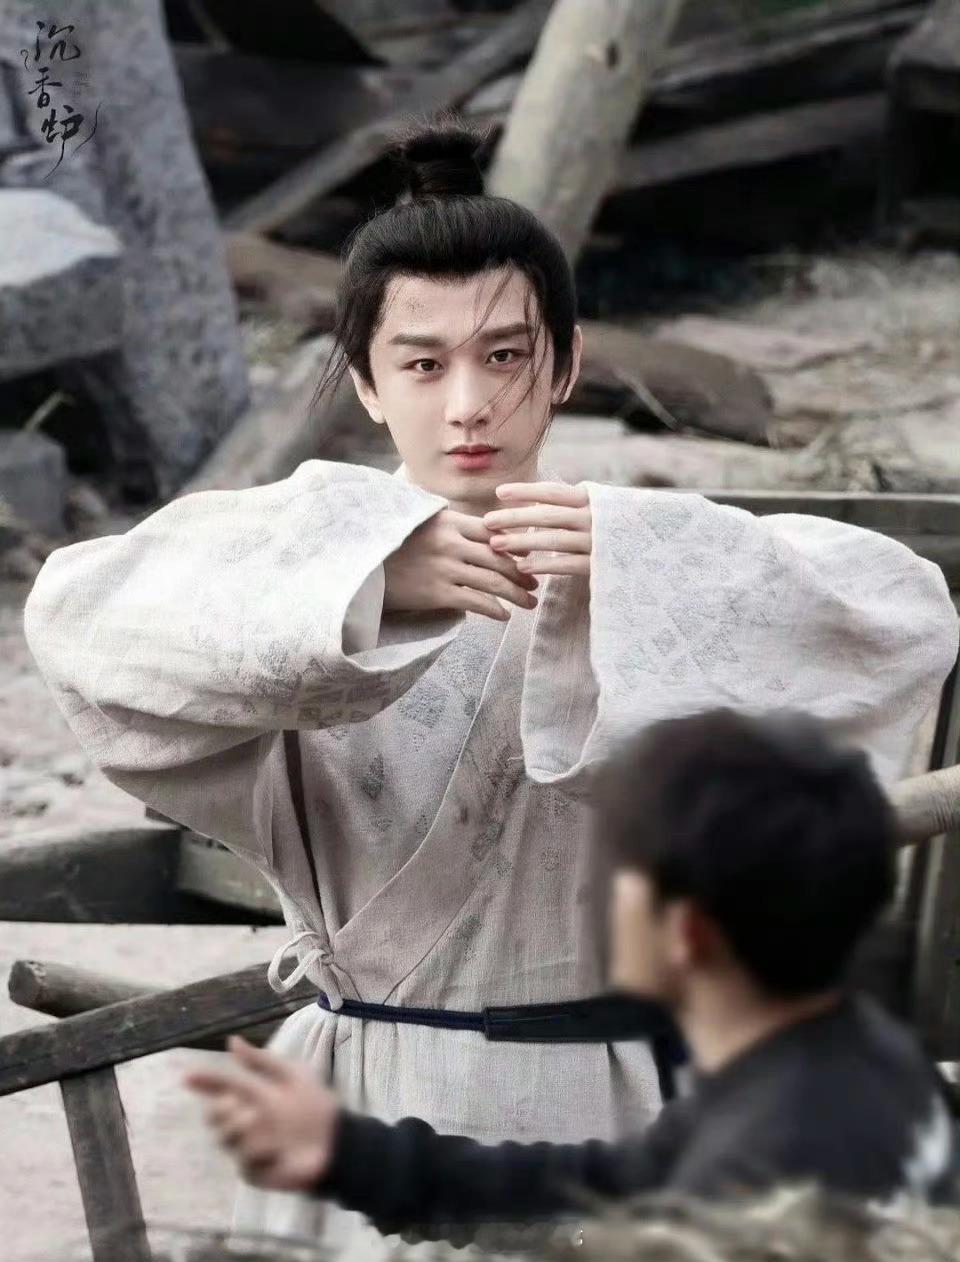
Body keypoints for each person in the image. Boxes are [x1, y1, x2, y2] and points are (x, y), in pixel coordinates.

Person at [24, 120, 957, 1250]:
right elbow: (76, 615)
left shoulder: (659, 558)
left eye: (505, 357)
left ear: (564, 365)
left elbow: (903, 612)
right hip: (372, 1094)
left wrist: (638, 567)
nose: (467, 404)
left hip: (618, 1097)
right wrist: (372, 586)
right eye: (423, 364)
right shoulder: (293, 555)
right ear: (368, 384)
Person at [187, 710, 957, 1238]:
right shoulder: (838, 1069)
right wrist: (352, 1154)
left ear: (687, 933)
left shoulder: (773, 1146)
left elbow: (606, 1217)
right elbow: (600, 1184)